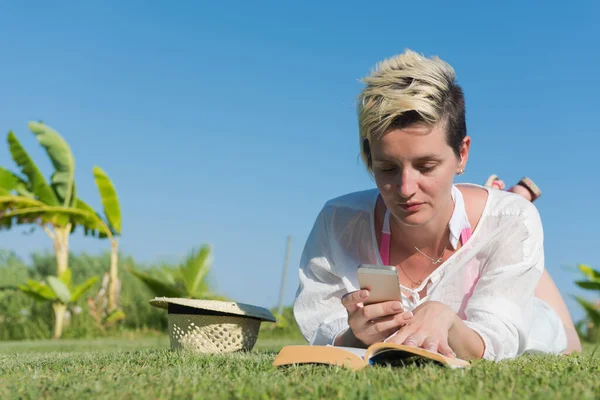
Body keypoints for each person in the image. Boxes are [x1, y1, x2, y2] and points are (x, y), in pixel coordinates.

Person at [293, 50, 581, 361]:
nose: (405, 190)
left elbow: (497, 340)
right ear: (368, 156)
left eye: (426, 166)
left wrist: (445, 318)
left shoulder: (513, 220)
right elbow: (320, 325)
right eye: (387, 168)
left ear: (462, 154)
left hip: (515, 275)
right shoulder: (338, 222)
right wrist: (355, 334)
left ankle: (497, 211)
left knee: (566, 342)